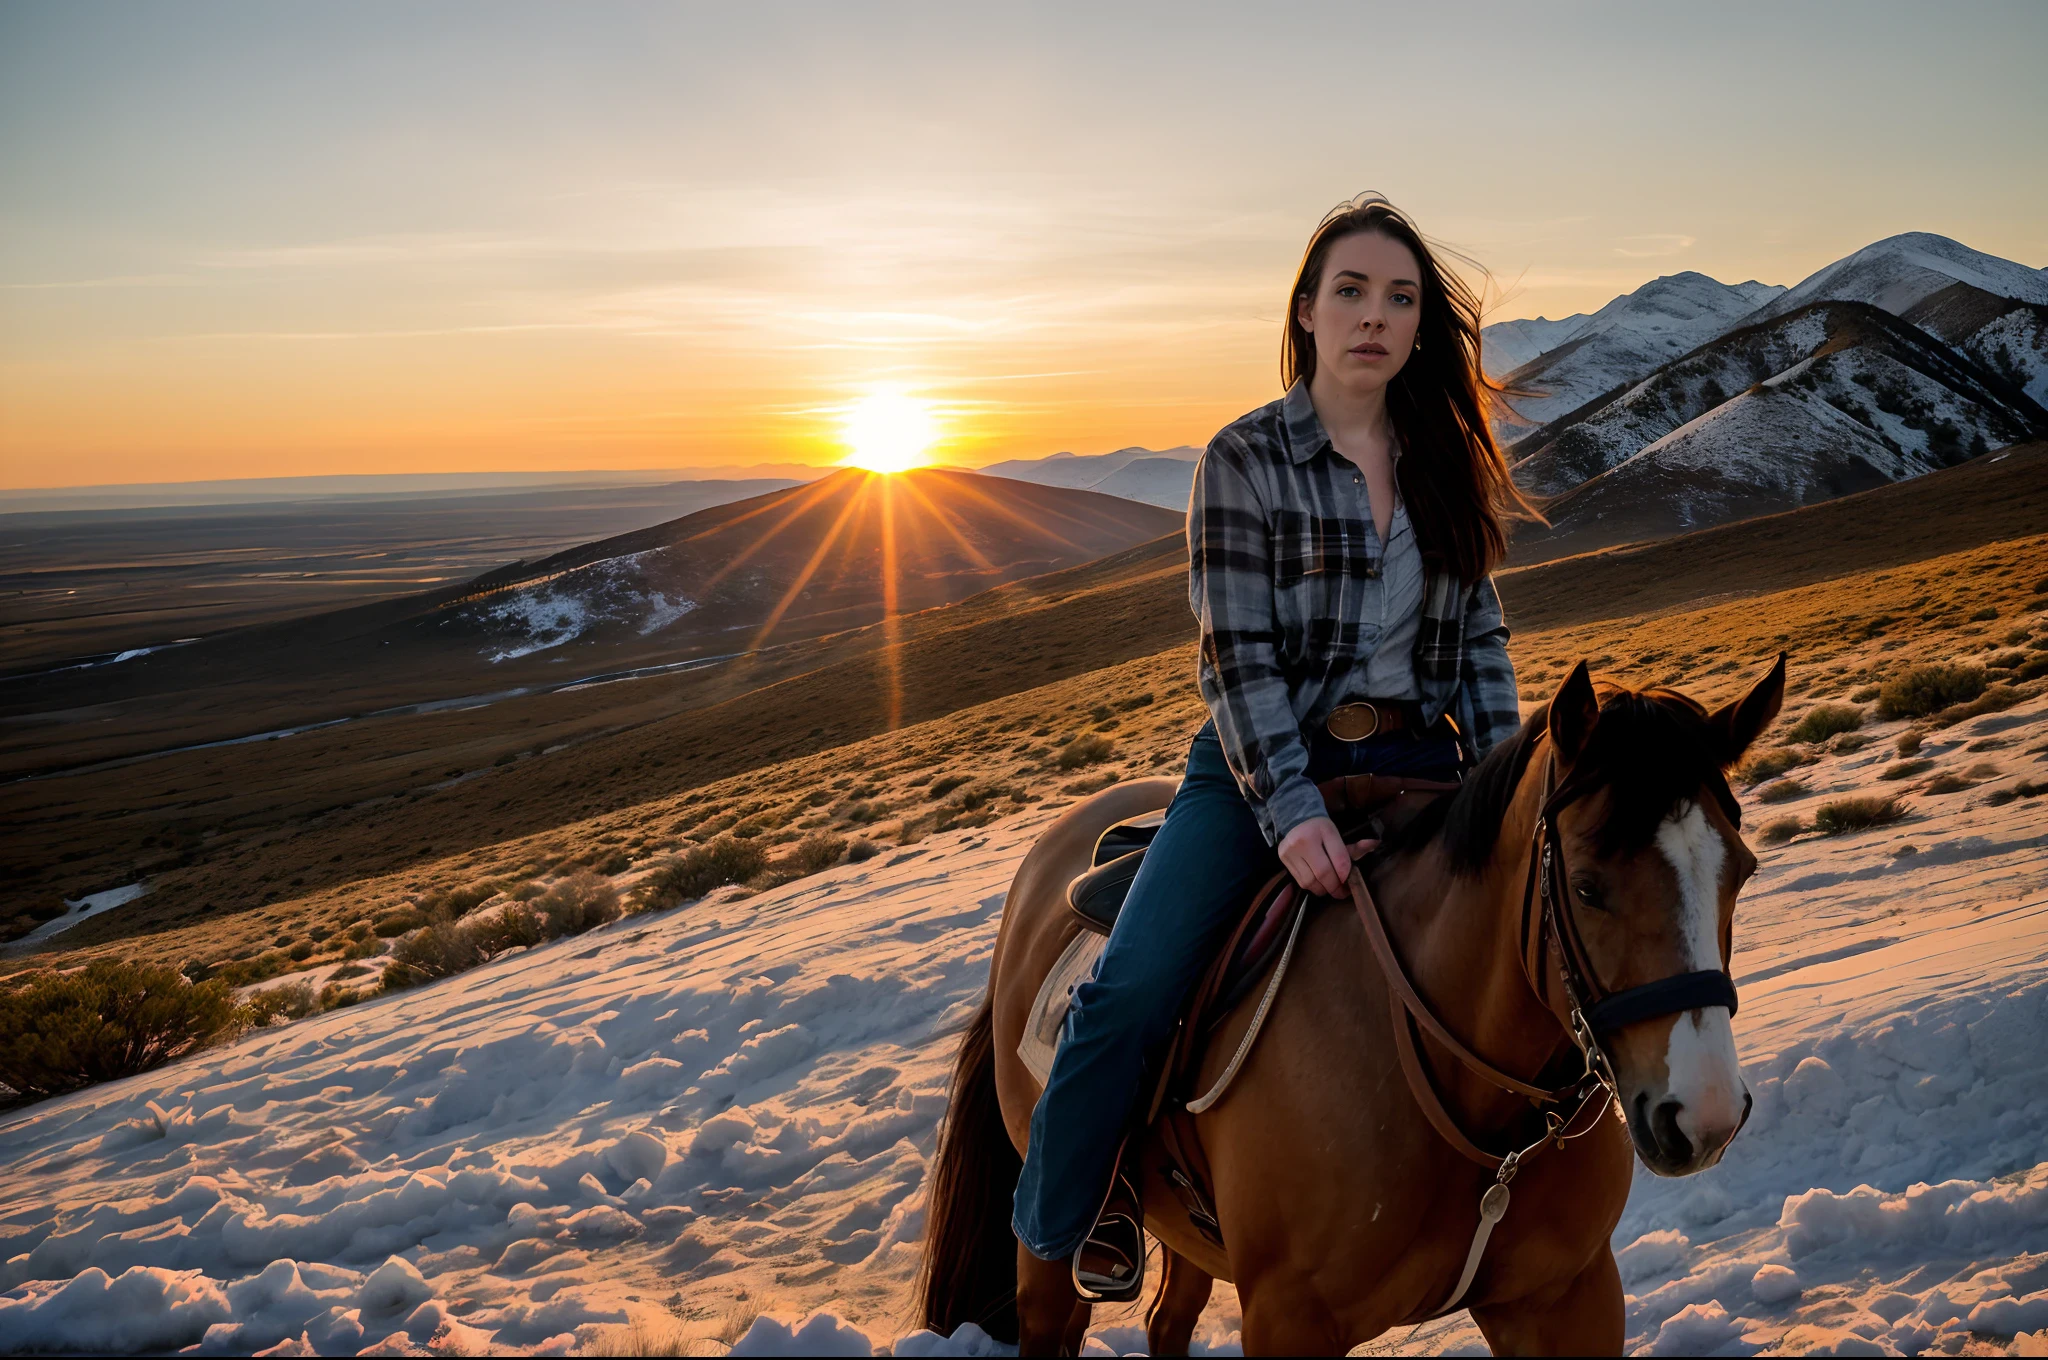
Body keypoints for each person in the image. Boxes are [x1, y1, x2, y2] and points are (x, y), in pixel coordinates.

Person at [1010, 193, 1540, 1297]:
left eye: (1398, 298)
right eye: (1348, 291)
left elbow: (1479, 640)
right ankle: (1075, 1216)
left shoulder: (1445, 459)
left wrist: (1508, 793)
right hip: (1259, 768)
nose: (1372, 317)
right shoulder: (1242, 458)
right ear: (1303, 311)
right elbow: (1236, 659)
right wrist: (1290, 811)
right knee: (1129, 989)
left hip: (1423, 768)